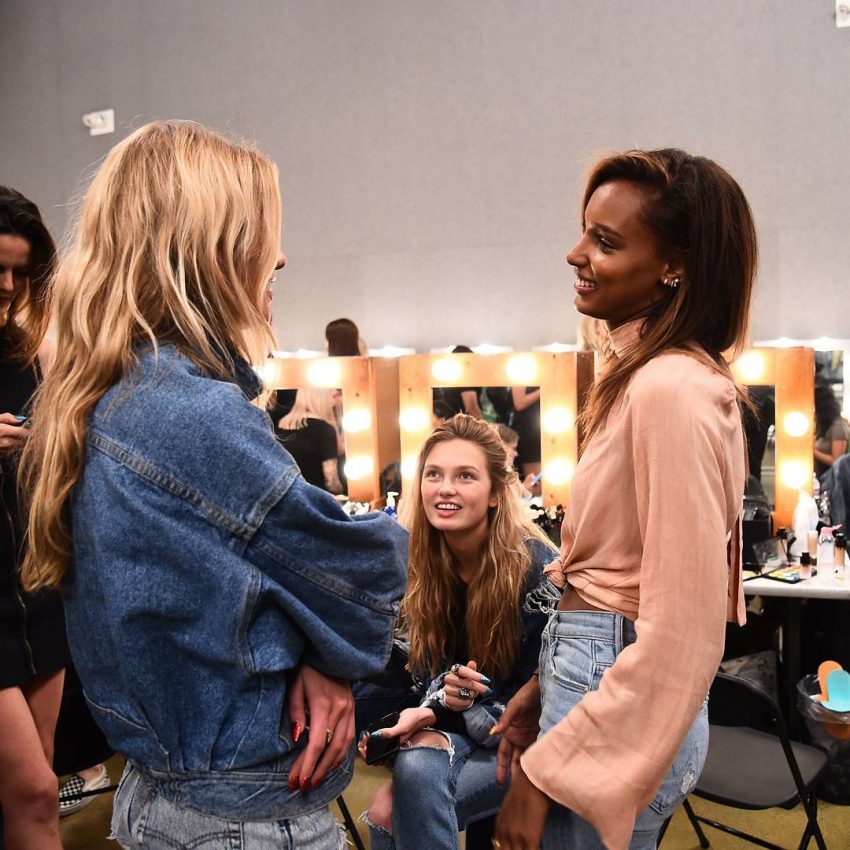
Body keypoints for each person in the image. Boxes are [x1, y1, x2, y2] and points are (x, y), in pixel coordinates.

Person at [19, 121, 408, 850]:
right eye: (262, 234)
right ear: (209, 250)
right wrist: (331, 649)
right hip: (240, 814)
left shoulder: (117, 395)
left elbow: (220, 587)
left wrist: (320, 651)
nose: (280, 257)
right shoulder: (187, 413)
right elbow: (365, 563)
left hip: (171, 788)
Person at [492, 148, 756, 850]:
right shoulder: (653, 379)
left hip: (615, 689)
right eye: (585, 232)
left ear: (675, 266)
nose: (575, 254)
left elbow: (682, 628)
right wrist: (549, 682)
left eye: (606, 242)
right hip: (595, 674)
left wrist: (549, 769)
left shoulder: (671, 389)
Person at [360, 414, 559, 850]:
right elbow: (431, 678)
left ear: (495, 493)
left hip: (533, 742)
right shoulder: (421, 564)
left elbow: (547, 698)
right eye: (434, 474)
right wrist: (433, 707)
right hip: (468, 728)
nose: (445, 488)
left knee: (397, 807)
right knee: (388, 805)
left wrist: (455, 704)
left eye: (465, 476)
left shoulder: (535, 569)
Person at [0, 186, 70, 850]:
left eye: (19, 272)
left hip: (36, 592)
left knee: (38, 782)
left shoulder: (25, 355)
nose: (7, 285)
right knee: (34, 793)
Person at [276, 388, 344, 493]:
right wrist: (342, 493)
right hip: (316, 495)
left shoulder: (280, 427)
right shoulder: (324, 430)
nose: (333, 400)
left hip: (285, 493)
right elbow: (331, 481)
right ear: (322, 400)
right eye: (331, 396)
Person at [814, 379, 849, 479]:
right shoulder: (822, 426)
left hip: (833, 481)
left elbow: (836, 460)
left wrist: (814, 451)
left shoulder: (837, 427)